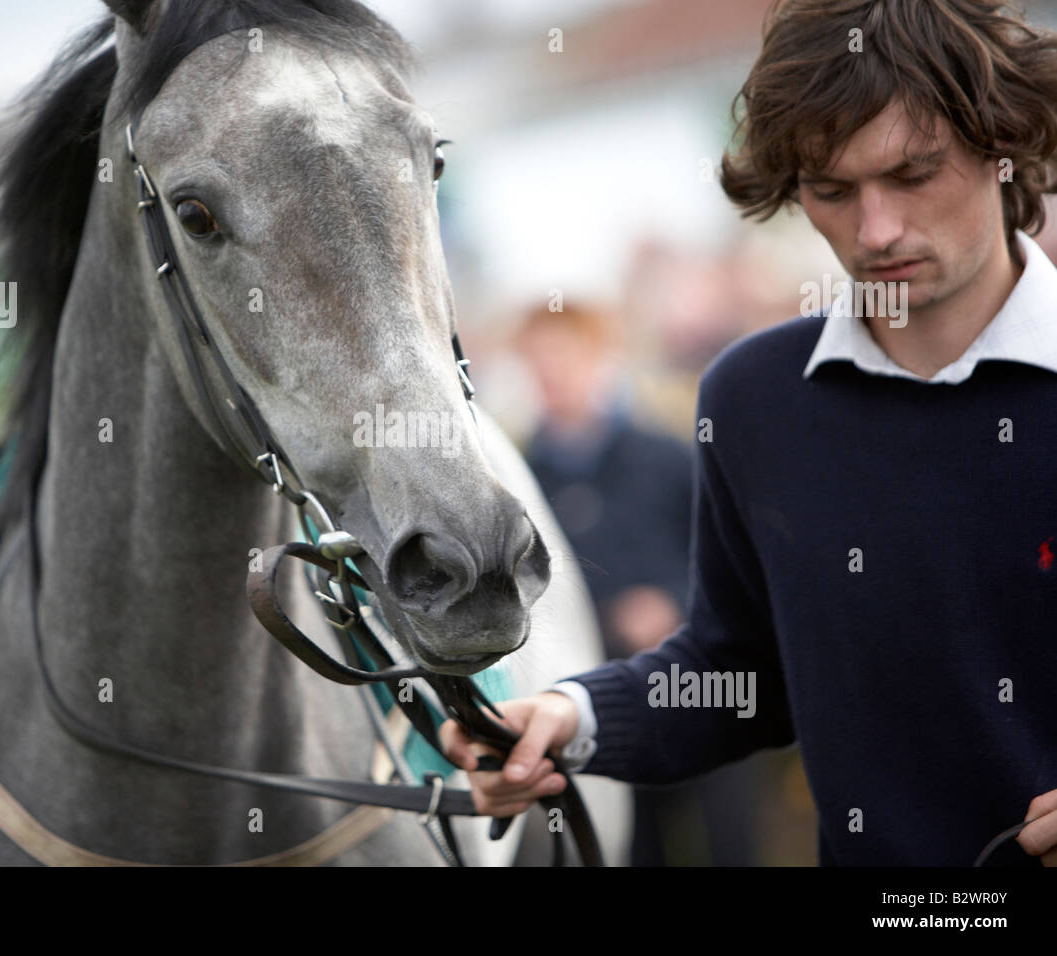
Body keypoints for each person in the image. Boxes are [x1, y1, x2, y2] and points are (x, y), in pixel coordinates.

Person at [442, 0, 1057, 866]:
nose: (875, 231)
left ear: (1004, 145)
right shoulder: (752, 398)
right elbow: (744, 674)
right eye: (832, 191)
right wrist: (569, 718)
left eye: (914, 174)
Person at [515, 301, 767, 865]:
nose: (553, 374)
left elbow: (728, 554)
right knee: (634, 845)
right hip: (603, 691)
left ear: (602, 358)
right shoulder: (524, 476)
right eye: (540, 361)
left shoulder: (669, 455)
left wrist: (672, 601)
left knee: (730, 841)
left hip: (705, 681)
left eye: (567, 357)